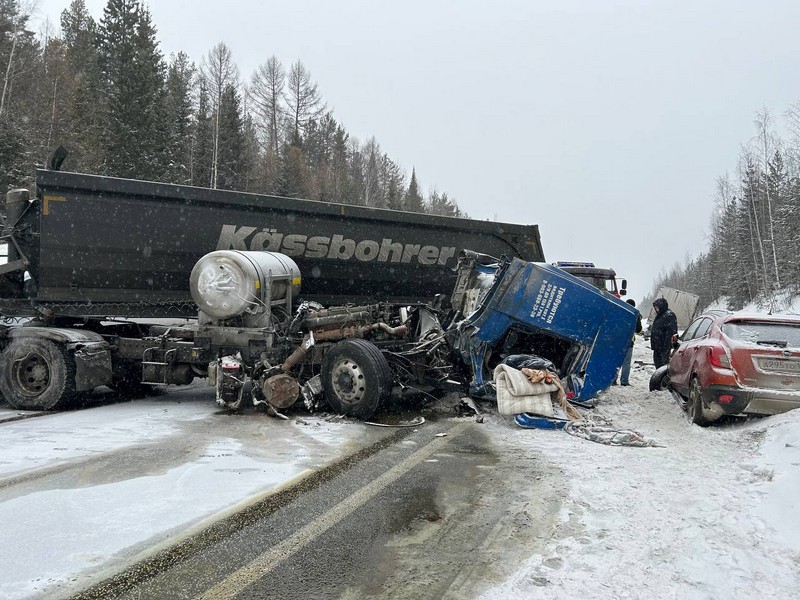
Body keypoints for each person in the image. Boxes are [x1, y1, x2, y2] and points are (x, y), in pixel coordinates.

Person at [618, 298, 642, 385]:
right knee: (626, 363)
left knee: (616, 361)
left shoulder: (620, 312)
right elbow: (638, 330)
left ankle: (612, 380)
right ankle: (624, 381)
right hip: (629, 342)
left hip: (618, 341)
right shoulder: (635, 314)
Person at [650, 297, 678, 369]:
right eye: (655, 307)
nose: (656, 309)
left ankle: (663, 379)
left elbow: (671, 332)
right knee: (658, 366)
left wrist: (665, 346)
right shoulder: (660, 315)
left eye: (657, 307)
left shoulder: (669, 315)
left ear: (661, 306)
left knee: (663, 367)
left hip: (663, 347)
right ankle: (660, 379)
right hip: (657, 346)